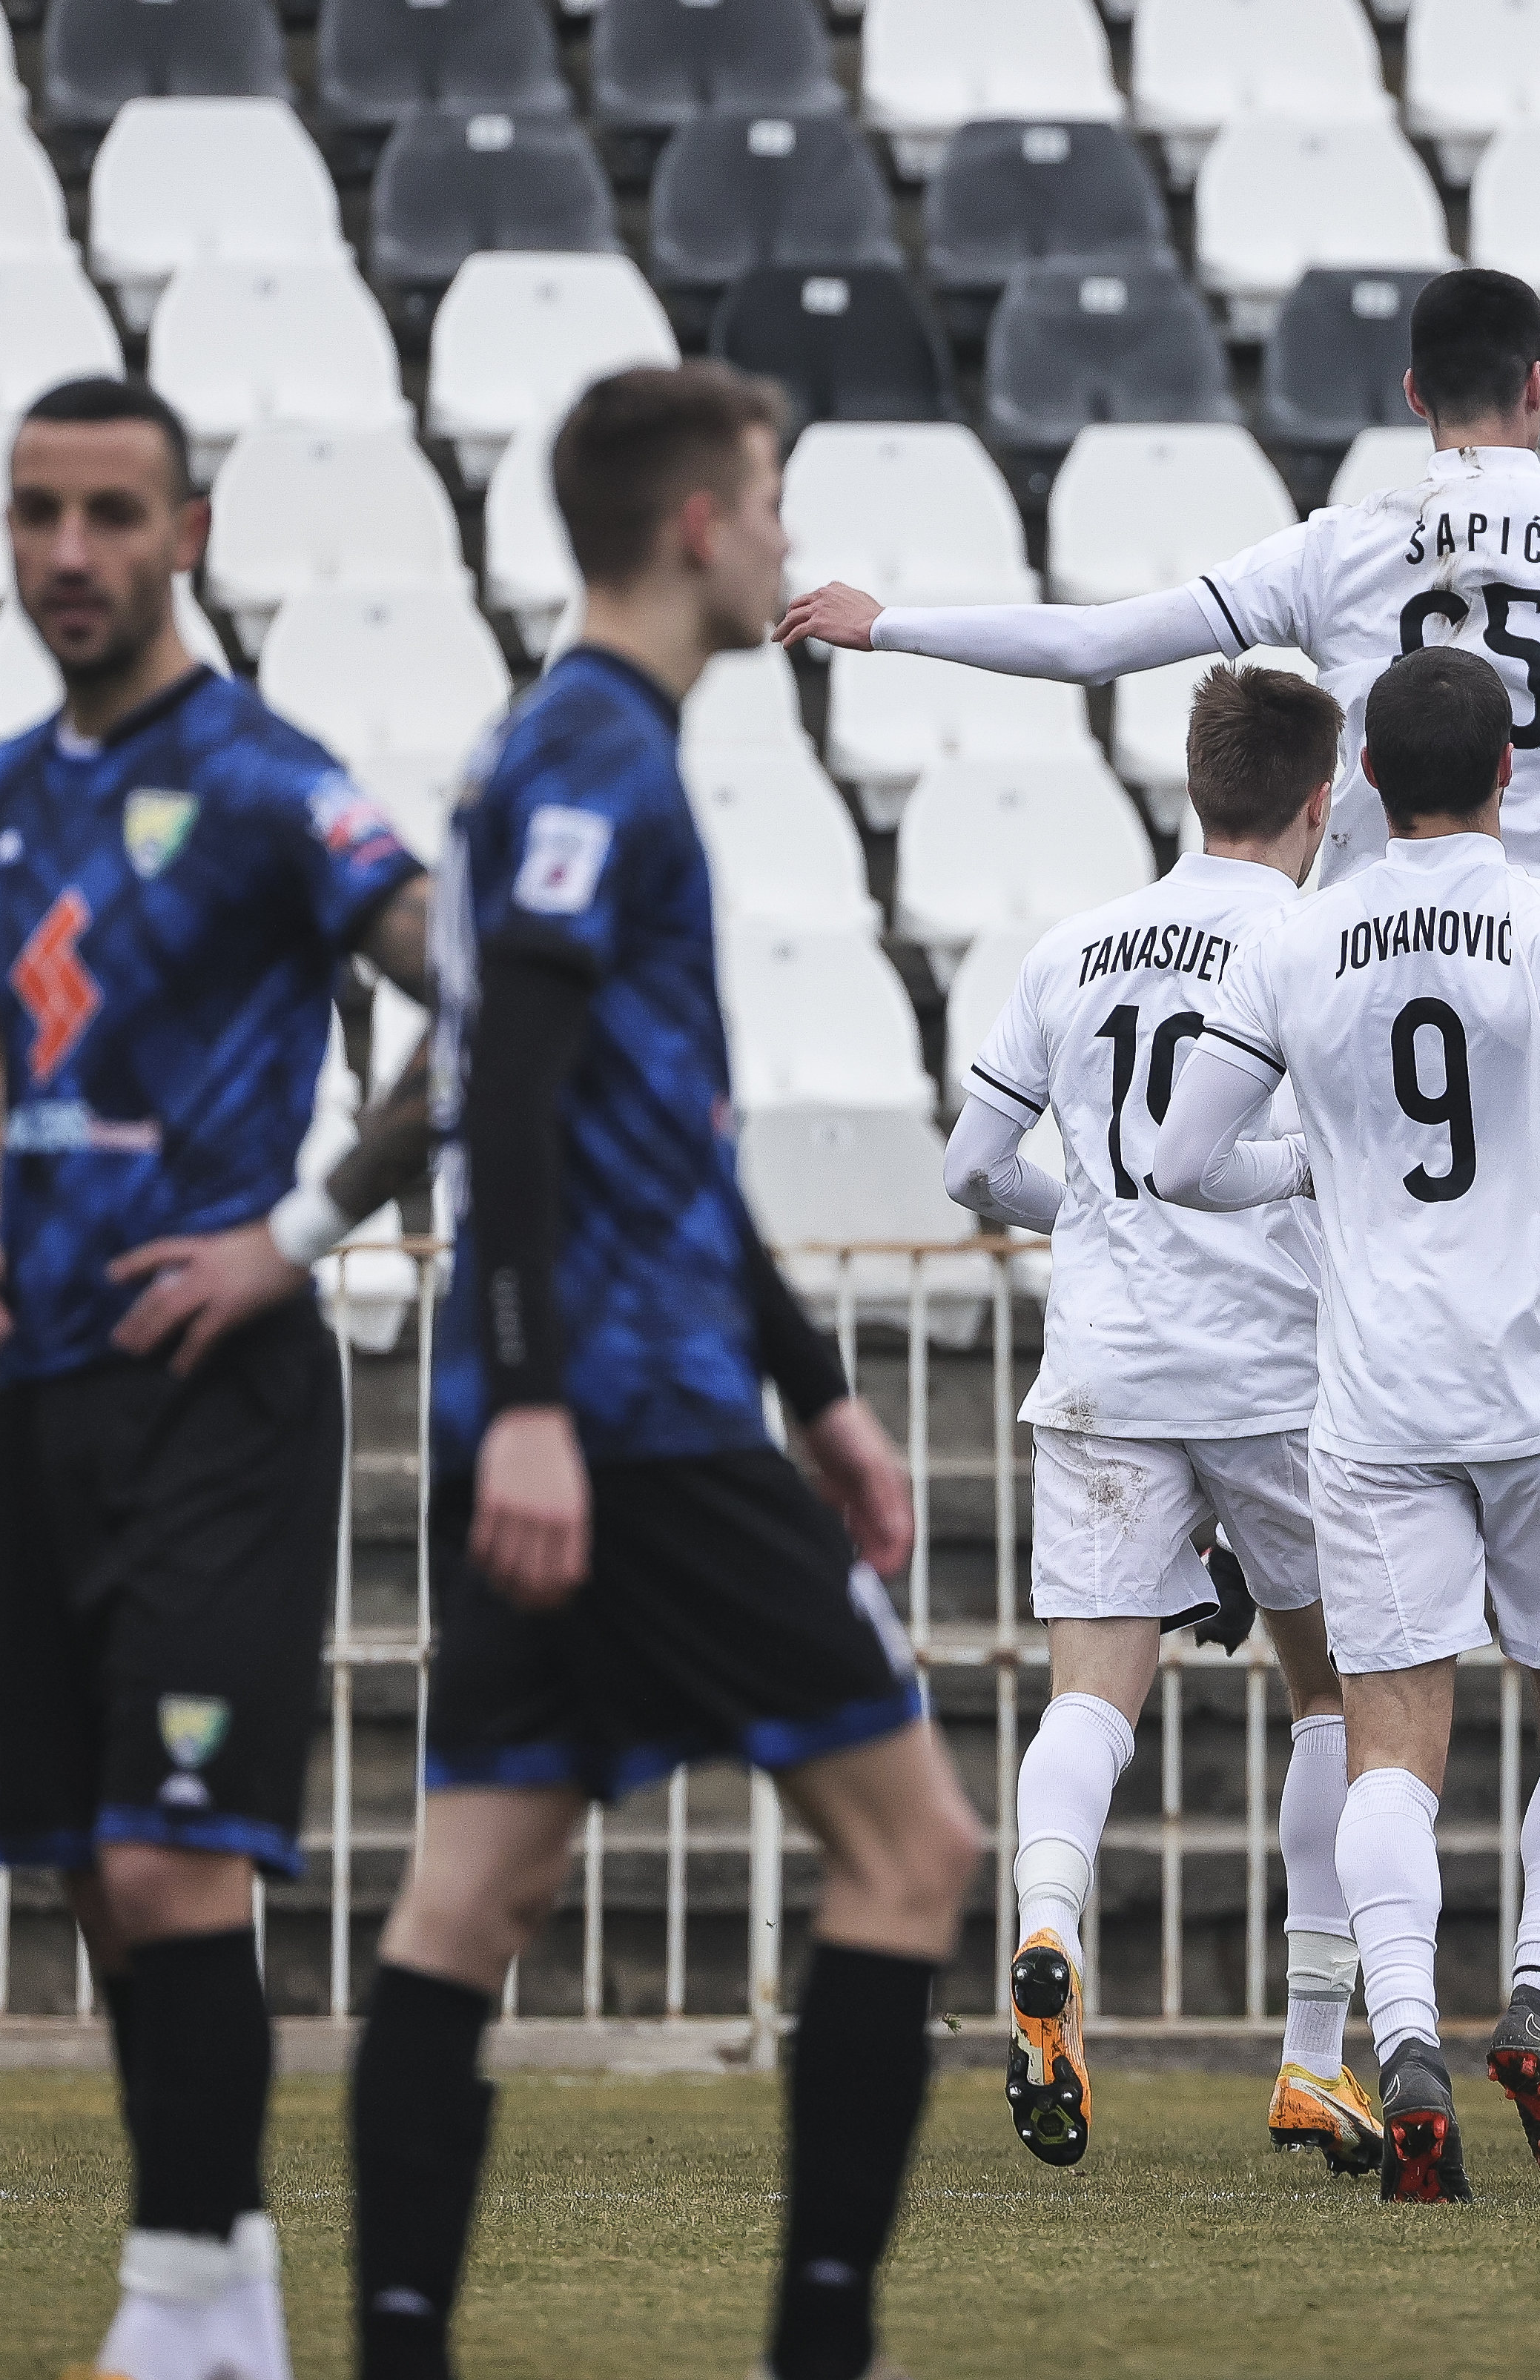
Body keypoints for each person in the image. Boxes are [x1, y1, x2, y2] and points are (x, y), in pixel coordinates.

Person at [780, 268, 1540, 1894]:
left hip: (1361, 998)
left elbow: (1102, 645)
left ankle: (1331, 1780)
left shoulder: (1341, 545)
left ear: (1415, 392)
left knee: (1337, 1362)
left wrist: (899, 626)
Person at [343, 363, 985, 2380]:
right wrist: (536, 1393)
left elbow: (648, 1136)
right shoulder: (590, 758)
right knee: (916, 1853)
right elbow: (504, 1082)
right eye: (774, 498)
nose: (787, 537)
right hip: (623, 1427)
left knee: (474, 1895)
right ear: (702, 523)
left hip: (613, 1409)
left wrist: (819, 1385)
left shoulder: (587, 744)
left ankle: (397, 2347)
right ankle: (822, 2341)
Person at [0, 374, 437, 2380]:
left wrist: (294, 1235)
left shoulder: (266, 781)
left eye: (109, 515)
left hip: (224, 1387)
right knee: (86, 1863)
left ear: (187, 533)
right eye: (37, 512)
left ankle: (172, 2310)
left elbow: (474, 987)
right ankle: (220, 2299)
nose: (67, 552)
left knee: (166, 1850)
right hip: (47, 1390)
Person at [1151, 646, 1540, 2202]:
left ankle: (1404, 2041)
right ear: (1508, 774)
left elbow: (1178, 1155)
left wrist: (1316, 1170)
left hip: (1378, 1405)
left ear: (1363, 779)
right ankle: (1539, 2002)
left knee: (1393, 1747)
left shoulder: (1301, 937)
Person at [936, 663, 1384, 2175]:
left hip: (1108, 1366)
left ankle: (1047, 1930)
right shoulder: (1321, 941)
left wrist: (1094, 1219)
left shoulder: (1075, 945)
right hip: (1279, 1375)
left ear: (1194, 784)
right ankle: (1315, 2062)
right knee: (1340, 1700)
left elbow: (971, 1168)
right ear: (1323, 800)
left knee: (1089, 1704)